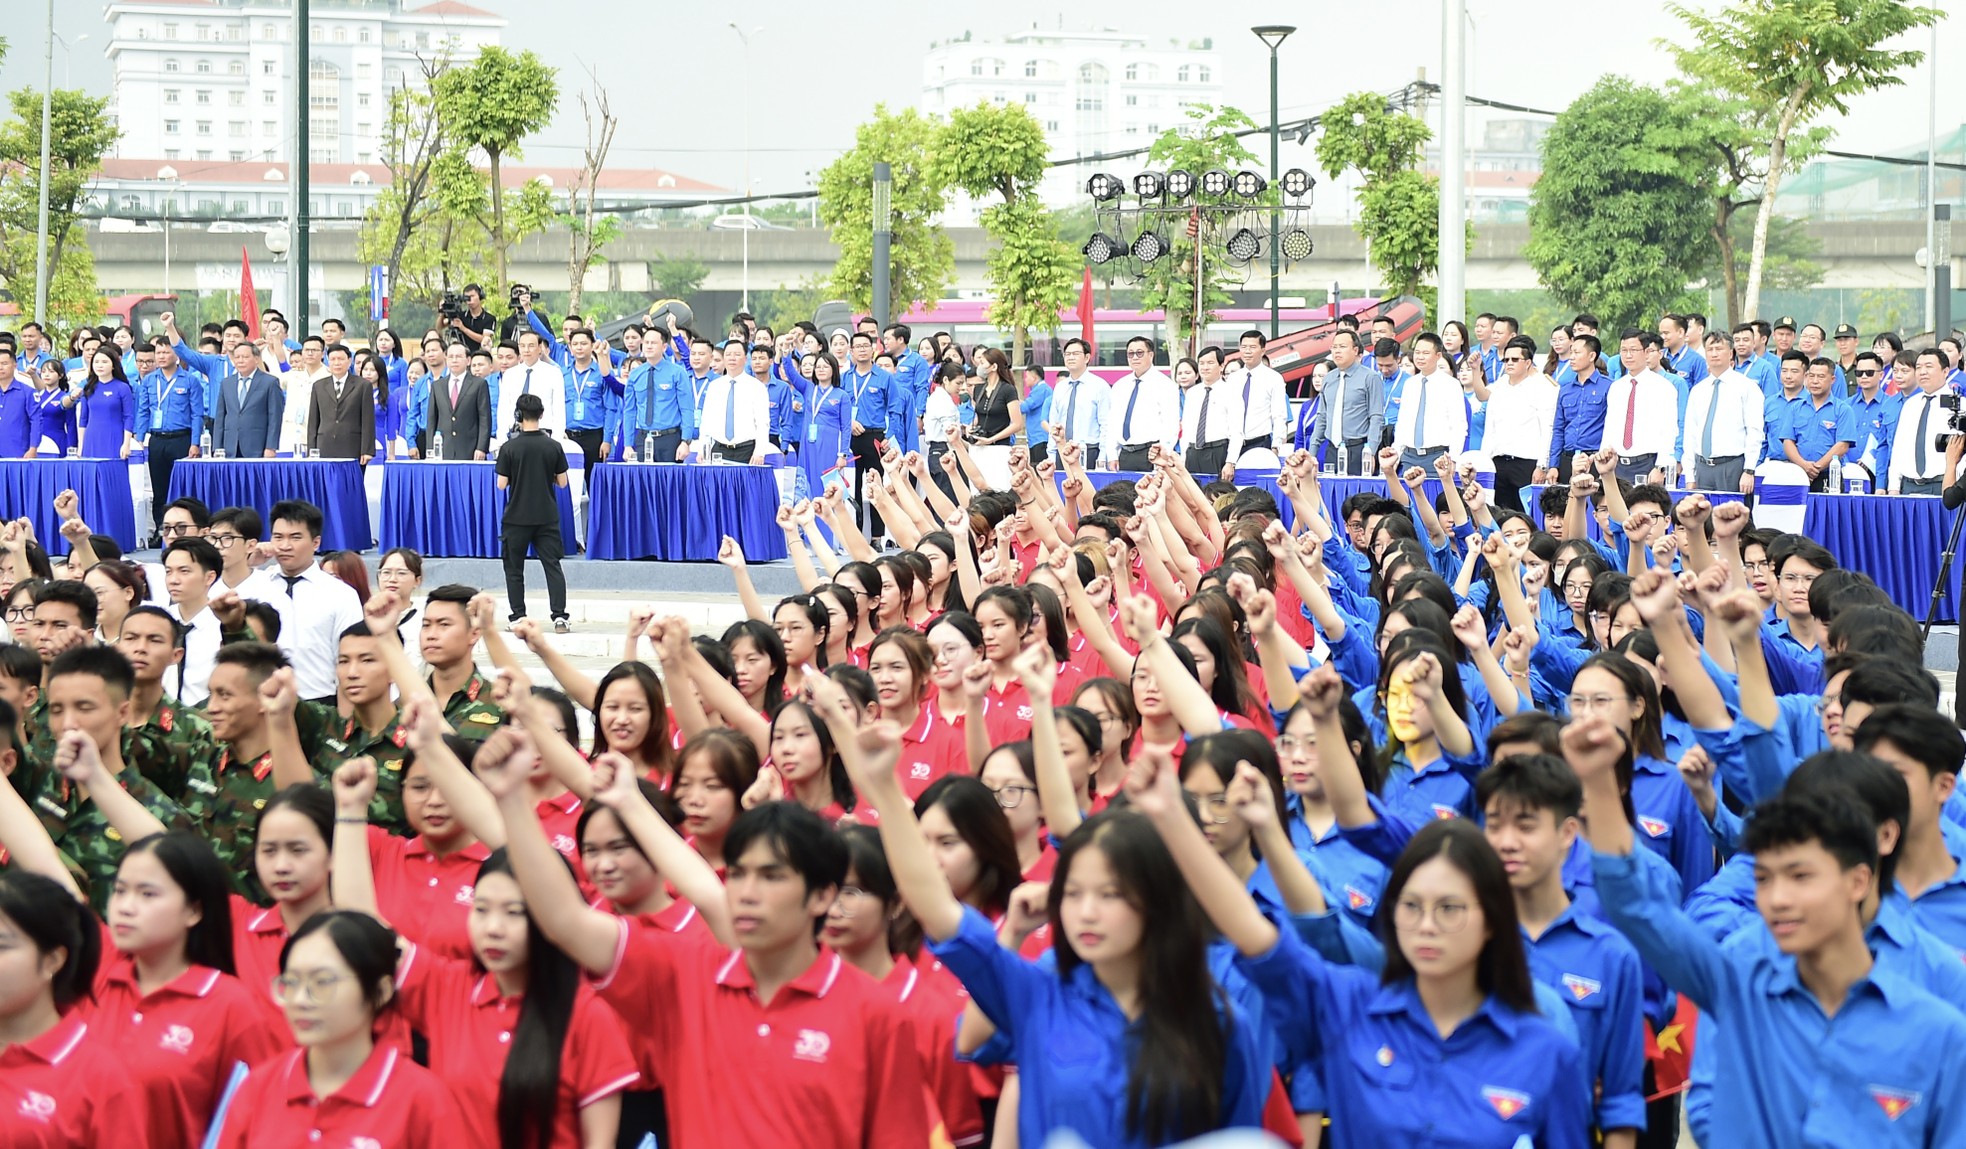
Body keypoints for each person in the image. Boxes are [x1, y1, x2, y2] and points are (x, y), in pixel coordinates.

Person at [481, 720, 933, 1149]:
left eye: (772, 877)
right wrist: (509, 799)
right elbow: (565, 920)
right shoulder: (685, 974)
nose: (747, 893)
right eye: (738, 874)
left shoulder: (876, 1015)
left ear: (822, 896)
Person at [1139, 732, 1590, 1148]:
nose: (1426, 925)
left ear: (1492, 919)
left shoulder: (1547, 1048)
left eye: (1449, 909)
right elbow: (1257, 936)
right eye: (1410, 907)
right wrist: (1175, 820)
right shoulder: (1349, 1005)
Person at [1568, 715, 1966, 1149]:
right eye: (1762, 879)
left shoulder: (1940, 1022)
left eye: (1800, 876)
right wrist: (1599, 783)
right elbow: (1637, 906)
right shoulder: (1740, 976)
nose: (1776, 899)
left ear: (1859, 878)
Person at [212, 910, 468, 1148]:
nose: (300, 999)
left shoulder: (422, 1100)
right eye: (290, 982)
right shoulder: (259, 1088)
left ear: (380, 992)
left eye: (322, 982)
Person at [238, 500, 365, 704]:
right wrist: (246, 563)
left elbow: (350, 658)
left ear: (316, 542)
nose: (285, 546)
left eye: (295, 537)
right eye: (278, 537)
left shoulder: (340, 593)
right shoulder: (255, 585)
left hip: (319, 702)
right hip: (259, 703)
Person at [497, 392, 572, 630]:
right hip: (546, 515)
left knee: (514, 568)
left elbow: (501, 484)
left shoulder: (509, 447)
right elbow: (562, 483)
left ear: (518, 415)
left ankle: (518, 616)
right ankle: (559, 616)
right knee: (552, 566)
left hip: (517, 516)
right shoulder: (554, 446)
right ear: (541, 415)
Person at [1681, 329, 1765, 493]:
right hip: (1702, 467)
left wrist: (1749, 470)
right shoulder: (1698, 390)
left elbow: (1754, 431)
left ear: (1731, 353)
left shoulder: (1747, 387)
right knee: (1702, 518)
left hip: (1732, 467)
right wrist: (1689, 475)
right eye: (1710, 349)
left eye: (1719, 349)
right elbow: (1690, 433)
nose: (1714, 354)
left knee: (1733, 517)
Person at [1481, 335, 1559, 510]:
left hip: (1526, 462)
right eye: (1506, 359)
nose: (1509, 363)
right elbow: (1490, 429)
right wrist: (1485, 462)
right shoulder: (1499, 386)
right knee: (1501, 514)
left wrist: (1542, 465)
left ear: (1528, 363)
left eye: (1515, 359)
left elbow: (1548, 429)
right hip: (1499, 462)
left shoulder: (1542, 386)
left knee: (1527, 514)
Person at [133, 338, 205, 519]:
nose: (162, 357)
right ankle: (160, 528)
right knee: (159, 488)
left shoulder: (190, 381)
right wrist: (138, 440)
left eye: (166, 352)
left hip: (182, 440)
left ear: (177, 355)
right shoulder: (149, 381)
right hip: (157, 440)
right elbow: (142, 412)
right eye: (159, 353)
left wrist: (195, 442)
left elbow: (197, 414)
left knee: (182, 487)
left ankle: (185, 524)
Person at [1599, 331, 1679, 485]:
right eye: (1624, 350)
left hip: (1648, 464)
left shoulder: (1663, 387)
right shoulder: (1616, 387)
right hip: (1617, 464)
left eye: (1633, 350)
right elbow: (1610, 425)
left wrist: (1660, 466)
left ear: (1647, 352)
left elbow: (1669, 429)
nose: (1628, 355)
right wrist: (1604, 456)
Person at [1309, 329, 1386, 477]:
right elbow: (1322, 417)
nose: (1337, 351)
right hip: (1332, 449)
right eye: (1334, 347)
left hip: (1358, 450)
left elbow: (1376, 417)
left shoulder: (1370, 378)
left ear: (1355, 350)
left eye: (1342, 347)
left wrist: (1370, 451)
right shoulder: (1329, 379)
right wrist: (1312, 452)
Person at [1102, 336, 1179, 471]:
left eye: (1139, 353)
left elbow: (1171, 425)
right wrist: (1112, 454)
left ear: (1151, 355)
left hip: (1150, 453)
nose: (1135, 357)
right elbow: (1113, 422)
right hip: (1125, 453)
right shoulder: (1120, 385)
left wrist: (1162, 455)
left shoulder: (1165, 385)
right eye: (1131, 354)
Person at [1391, 332, 1465, 471]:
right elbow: (1403, 422)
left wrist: (1454, 457)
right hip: (1408, 456)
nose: (1420, 357)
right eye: (1417, 352)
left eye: (1425, 353)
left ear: (1438, 356)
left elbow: (1458, 425)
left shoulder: (1451, 384)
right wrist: (1397, 452)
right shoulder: (1410, 384)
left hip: (1437, 457)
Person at [1781, 357, 1855, 492]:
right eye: (1811, 376)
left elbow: (1842, 445)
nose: (1815, 381)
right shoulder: (1795, 407)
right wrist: (1803, 465)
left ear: (1832, 380)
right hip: (1797, 474)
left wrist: (1815, 468)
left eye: (1821, 377)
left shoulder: (1843, 409)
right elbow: (1787, 441)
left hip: (1829, 475)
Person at [1888, 349, 1954, 494]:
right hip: (1909, 486)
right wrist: (1893, 486)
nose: (1922, 372)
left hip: (1943, 486)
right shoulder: (1911, 404)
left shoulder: (1958, 405)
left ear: (1945, 371)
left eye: (1929, 366)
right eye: (1918, 367)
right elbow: (1899, 447)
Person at [695, 339, 771, 465]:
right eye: (728, 354)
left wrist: (759, 452)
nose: (732, 358)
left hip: (746, 450)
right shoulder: (714, 386)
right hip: (719, 450)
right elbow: (707, 421)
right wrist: (703, 448)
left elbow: (763, 423)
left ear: (745, 359)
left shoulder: (756, 387)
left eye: (737, 354)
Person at [1181, 346, 1244, 481]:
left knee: (1215, 496)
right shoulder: (1192, 393)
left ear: (1221, 366)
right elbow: (1187, 428)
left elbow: (1236, 430)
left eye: (1210, 363)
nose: (1205, 367)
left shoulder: (1231, 392)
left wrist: (1230, 462)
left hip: (1217, 451)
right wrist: (1183, 458)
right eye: (1201, 363)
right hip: (1193, 452)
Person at [306, 343, 375, 463]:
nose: (337, 363)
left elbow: (368, 420)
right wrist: (311, 449)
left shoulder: (363, 386)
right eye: (333, 359)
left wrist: (367, 450)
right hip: (324, 446)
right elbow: (313, 421)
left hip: (352, 447)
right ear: (328, 361)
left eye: (341, 359)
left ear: (349, 361)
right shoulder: (319, 386)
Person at [1232, 330, 1290, 466]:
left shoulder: (1273, 378)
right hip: (1233, 444)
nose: (1247, 351)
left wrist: (1276, 446)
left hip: (1260, 442)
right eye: (1244, 347)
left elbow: (1279, 415)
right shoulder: (1233, 378)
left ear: (1263, 350)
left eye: (1252, 347)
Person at [428, 342, 491, 460]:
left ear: (468, 361)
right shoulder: (437, 386)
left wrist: (481, 447)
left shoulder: (479, 384)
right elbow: (432, 420)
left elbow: (484, 419)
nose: (454, 360)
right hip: (444, 449)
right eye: (451, 357)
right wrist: (430, 449)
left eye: (458, 357)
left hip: (470, 449)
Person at [75, 347, 137, 460]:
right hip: (91, 439)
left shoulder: (123, 388)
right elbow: (83, 419)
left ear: (113, 365)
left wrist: (126, 444)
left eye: (104, 362)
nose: (100, 365)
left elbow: (128, 417)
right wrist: (81, 445)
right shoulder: (88, 388)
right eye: (96, 362)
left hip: (114, 438)